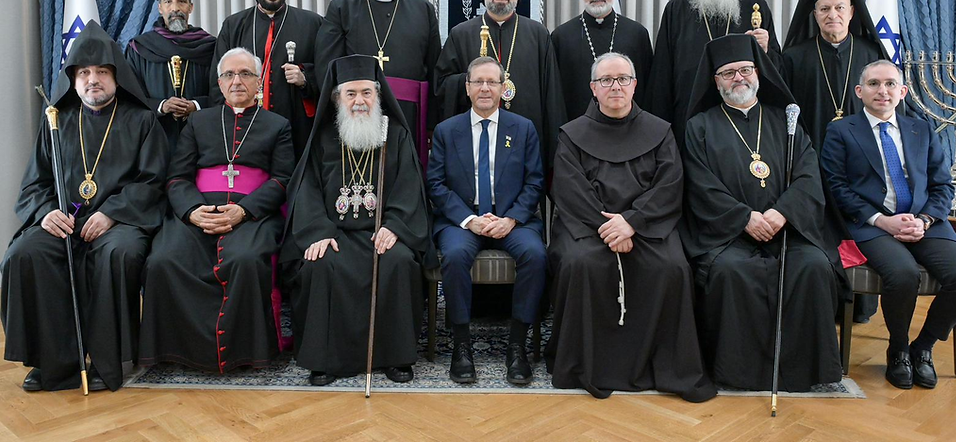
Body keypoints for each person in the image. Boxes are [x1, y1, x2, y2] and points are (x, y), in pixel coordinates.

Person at [2, 22, 167, 392]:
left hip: (120, 221)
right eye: (85, 73)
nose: (94, 79)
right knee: (24, 254)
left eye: (102, 72)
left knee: (117, 255)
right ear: (74, 79)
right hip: (63, 219)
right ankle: (54, 363)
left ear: (116, 76)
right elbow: (35, 182)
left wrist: (112, 213)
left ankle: (108, 361)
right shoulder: (55, 121)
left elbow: (153, 180)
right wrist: (46, 211)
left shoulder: (141, 120)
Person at [546, 52, 716, 401]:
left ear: (635, 85)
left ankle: (664, 366)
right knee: (582, 264)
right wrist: (608, 228)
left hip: (646, 224)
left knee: (671, 267)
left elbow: (670, 184)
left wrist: (632, 222)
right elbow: (570, 189)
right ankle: (587, 366)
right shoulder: (572, 134)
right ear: (593, 88)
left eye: (623, 79)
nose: (616, 87)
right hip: (589, 226)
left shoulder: (660, 130)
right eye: (606, 80)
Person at [681, 34, 843, 391]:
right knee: (730, 272)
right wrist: (745, 218)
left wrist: (782, 213)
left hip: (787, 229)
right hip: (728, 235)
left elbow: (807, 173)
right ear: (715, 81)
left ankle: (805, 371)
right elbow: (699, 184)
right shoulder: (700, 126)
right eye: (728, 73)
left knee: (814, 266)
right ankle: (740, 373)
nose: (738, 78)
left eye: (744, 70)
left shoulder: (785, 121)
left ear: (758, 73)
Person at [821, 60, 956, 390]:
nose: (883, 91)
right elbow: (835, 186)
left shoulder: (921, 128)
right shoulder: (841, 130)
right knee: (902, 274)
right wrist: (883, 221)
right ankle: (898, 350)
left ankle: (923, 347)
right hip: (872, 224)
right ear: (859, 91)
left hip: (925, 222)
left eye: (891, 84)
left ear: (903, 91)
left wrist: (923, 220)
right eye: (875, 83)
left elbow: (942, 185)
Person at [139, 48, 294, 373]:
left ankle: (246, 353)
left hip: (254, 214)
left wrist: (243, 211)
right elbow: (177, 176)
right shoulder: (198, 120)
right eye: (229, 75)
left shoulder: (277, 125)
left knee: (246, 259)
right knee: (164, 259)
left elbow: (283, 179)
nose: (237, 81)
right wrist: (193, 211)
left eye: (245, 74)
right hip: (198, 209)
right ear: (219, 82)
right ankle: (176, 351)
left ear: (259, 80)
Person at [280, 55, 430, 386]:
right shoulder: (321, 139)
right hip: (333, 234)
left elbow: (409, 186)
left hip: (382, 232)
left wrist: (395, 226)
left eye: (366, 93)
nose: (359, 101)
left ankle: (395, 357)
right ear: (336, 98)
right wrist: (318, 231)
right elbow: (304, 190)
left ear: (378, 95)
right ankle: (325, 360)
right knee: (320, 265)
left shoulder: (397, 137)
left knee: (400, 262)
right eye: (351, 94)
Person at [783, 0, 897, 323]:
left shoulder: (870, 53)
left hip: (862, 163)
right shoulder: (795, 57)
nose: (832, 15)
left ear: (851, 11)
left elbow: (889, 107)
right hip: (811, 161)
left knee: (858, 224)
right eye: (823, 9)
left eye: (839, 8)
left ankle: (860, 305)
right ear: (813, 14)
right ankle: (822, 304)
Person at [428, 56, 547, 386]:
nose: (484, 88)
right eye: (477, 82)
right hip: (462, 221)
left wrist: (510, 219)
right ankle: (461, 346)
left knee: (536, 256)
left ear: (502, 88)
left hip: (512, 221)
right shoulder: (446, 131)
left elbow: (535, 181)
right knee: (453, 256)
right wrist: (469, 220)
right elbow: (436, 185)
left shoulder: (523, 128)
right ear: (467, 88)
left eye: (491, 82)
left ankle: (517, 346)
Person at [315, 0, 441, 162]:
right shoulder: (341, 8)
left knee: (405, 172)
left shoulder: (423, 9)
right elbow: (328, 67)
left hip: (409, 114)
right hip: (358, 111)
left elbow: (434, 68)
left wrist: (431, 121)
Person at [435, 0, 566, 168]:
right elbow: (442, 85)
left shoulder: (538, 34)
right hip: (475, 140)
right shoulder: (461, 33)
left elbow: (552, 95)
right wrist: (473, 83)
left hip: (526, 142)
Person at [650, 0, 782, 144]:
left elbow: (778, 70)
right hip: (689, 115)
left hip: (745, 117)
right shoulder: (677, 9)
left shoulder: (754, 5)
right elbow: (662, 74)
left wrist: (765, 51)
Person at [210, 0, 322, 159]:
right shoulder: (234, 25)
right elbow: (217, 83)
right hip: (243, 126)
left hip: (296, 128)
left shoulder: (313, 23)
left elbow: (328, 73)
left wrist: (305, 78)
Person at [126, 0, 216, 151]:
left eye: (182, 1)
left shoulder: (211, 46)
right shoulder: (140, 47)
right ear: (160, 8)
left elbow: (222, 92)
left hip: (201, 139)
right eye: (168, 1)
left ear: (190, 7)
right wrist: (161, 106)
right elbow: (130, 96)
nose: (175, 8)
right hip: (154, 140)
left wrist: (196, 105)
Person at [551, 0, 654, 119]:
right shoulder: (561, 36)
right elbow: (555, 95)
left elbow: (649, 89)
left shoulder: (637, 33)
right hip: (577, 130)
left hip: (629, 128)